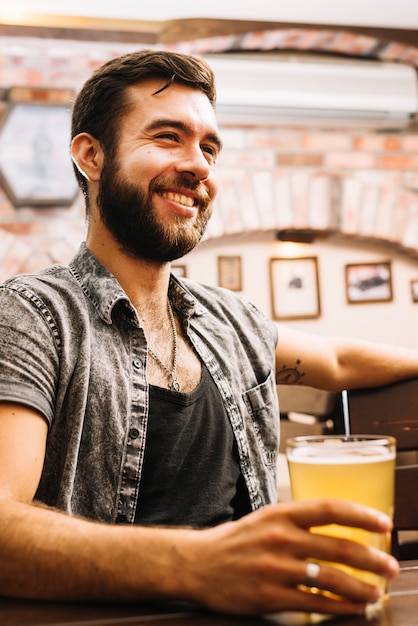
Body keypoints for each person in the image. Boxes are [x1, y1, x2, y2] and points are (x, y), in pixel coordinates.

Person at [0, 48, 416, 617]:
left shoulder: (231, 321)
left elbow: (339, 360)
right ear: (91, 156)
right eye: (168, 137)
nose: (199, 165)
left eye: (209, 147)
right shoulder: (30, 316)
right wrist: (201, 562)